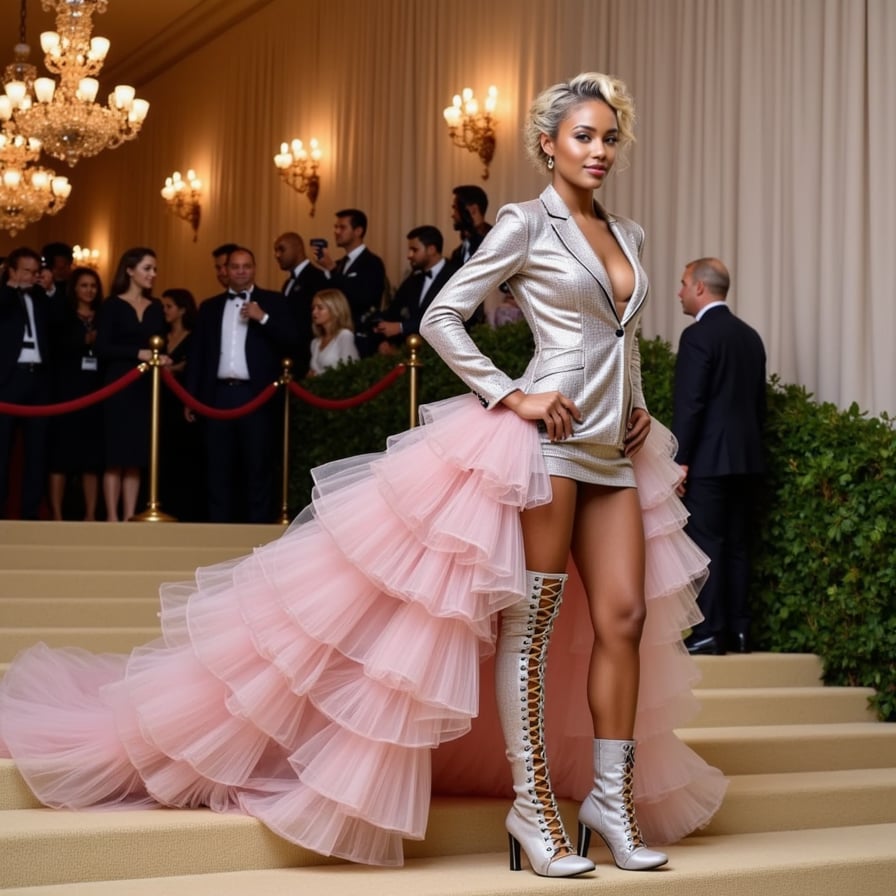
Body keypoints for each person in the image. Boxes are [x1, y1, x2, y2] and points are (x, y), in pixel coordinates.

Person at [0, 74, 724, 880]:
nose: (598, 150)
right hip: (545, 443)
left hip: (615, 447)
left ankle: (610, 805)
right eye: (582, 136)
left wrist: (641, 407)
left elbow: (620, 337)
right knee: (537, 622)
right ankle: (532, 808)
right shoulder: (524, 223)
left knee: (622, 618)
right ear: (548, 144)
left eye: (609, 137)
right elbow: (441, 316)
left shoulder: (630, 233)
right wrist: (512, 393)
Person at [672, 258, 767, 655]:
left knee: (706, 543)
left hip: (710, 461)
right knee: (738, 544)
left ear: (699, 288)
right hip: (748, 460)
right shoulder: (751, 337)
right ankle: (740, 631)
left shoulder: (697, 337)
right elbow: (759, 406)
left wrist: (680, 459)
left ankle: (709, 631)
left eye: (682, 283)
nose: (678, 292)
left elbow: (690, 404)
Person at [186, 247, 296, 523]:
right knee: (217, 467)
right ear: (226, 270)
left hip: (257, 395)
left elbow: (293, 341)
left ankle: (256, 533)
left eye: (246, 266)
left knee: (257, 466)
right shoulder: (210, 307)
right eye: (235, 266)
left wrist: (263, 318)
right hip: (218, 395)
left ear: (254, 268)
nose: (241, 271)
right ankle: (217, 530)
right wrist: (191, 397)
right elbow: (197, 355)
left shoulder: (273, 302)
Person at [95, 248, 170, 522]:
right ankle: (113, 518)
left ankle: (129, 517)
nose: (153, 274)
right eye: (147, 268)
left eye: (154, 269)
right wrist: (136, 353)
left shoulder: (156, 307)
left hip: (145, 387)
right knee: (116, 453)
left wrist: (161, 357)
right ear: (129, 270)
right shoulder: (112, 305)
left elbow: (162, 340)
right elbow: (102, 347)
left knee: (137, 454)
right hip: (118, 383)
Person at [47, 267, 105, 521]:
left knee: (91, 461)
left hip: (95, 394)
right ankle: (57, 517)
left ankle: (90, 516)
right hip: (65, 394)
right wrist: (84, 341)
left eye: (93, 285)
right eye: (84, 285)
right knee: (60, 458)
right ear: (74, 288)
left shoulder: (103, 316)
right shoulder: (63, 315)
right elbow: (56, 347)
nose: (89, 290)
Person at [0, 247, 53, 519]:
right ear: (12, 270)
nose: (31, 277)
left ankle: (31, 513)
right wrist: (11, 287)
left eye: (35, 272)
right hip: (8, 379)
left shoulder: (41, 298)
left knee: (37, 450)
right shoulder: (4, 296)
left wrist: (50, 288)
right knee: (2, 448)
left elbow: (58, 322)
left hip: (38, 379)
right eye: (26, 271)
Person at [313, 208, 386, 354]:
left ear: (358, 231)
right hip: (334, 336)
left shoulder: (372, 262)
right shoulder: (339, 263)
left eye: (342, 227)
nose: (337, 232)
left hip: (360, 337)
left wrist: (332, 269)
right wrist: (329, 270)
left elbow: (364, 297)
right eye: (336, 227)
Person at [374, 226, 456, 355]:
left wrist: (401, 328)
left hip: (443, 354)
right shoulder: (413, 279)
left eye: (414, 250)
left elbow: (444, 318)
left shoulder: (454, 276)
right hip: (409, 352)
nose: (409, 255)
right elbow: (394, 309)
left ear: (431, 249)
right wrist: (382, 333)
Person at [159, 288, 204, 521]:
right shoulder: (160, 335)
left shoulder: (193, 336)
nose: (164, 311)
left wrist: (173, 369)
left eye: (169, 306)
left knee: (183, 457)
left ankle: (184, 510)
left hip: (182, 401)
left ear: (182, 309)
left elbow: (193, 365)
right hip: (160, 402)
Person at [273, 231, 328, 375]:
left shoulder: (317, 277)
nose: (277, 255)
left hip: (307, 357)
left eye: (281, 249)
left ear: (298, 248)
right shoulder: (287, 283)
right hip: (288, 356)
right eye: (276, 250)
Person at [308, 289, 360, 375]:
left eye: (320, 308)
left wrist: (317, 375)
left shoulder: (344, 336)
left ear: (335, 309)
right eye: (313, 308)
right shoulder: (315, 342)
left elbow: (350, 370)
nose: (314, 312)